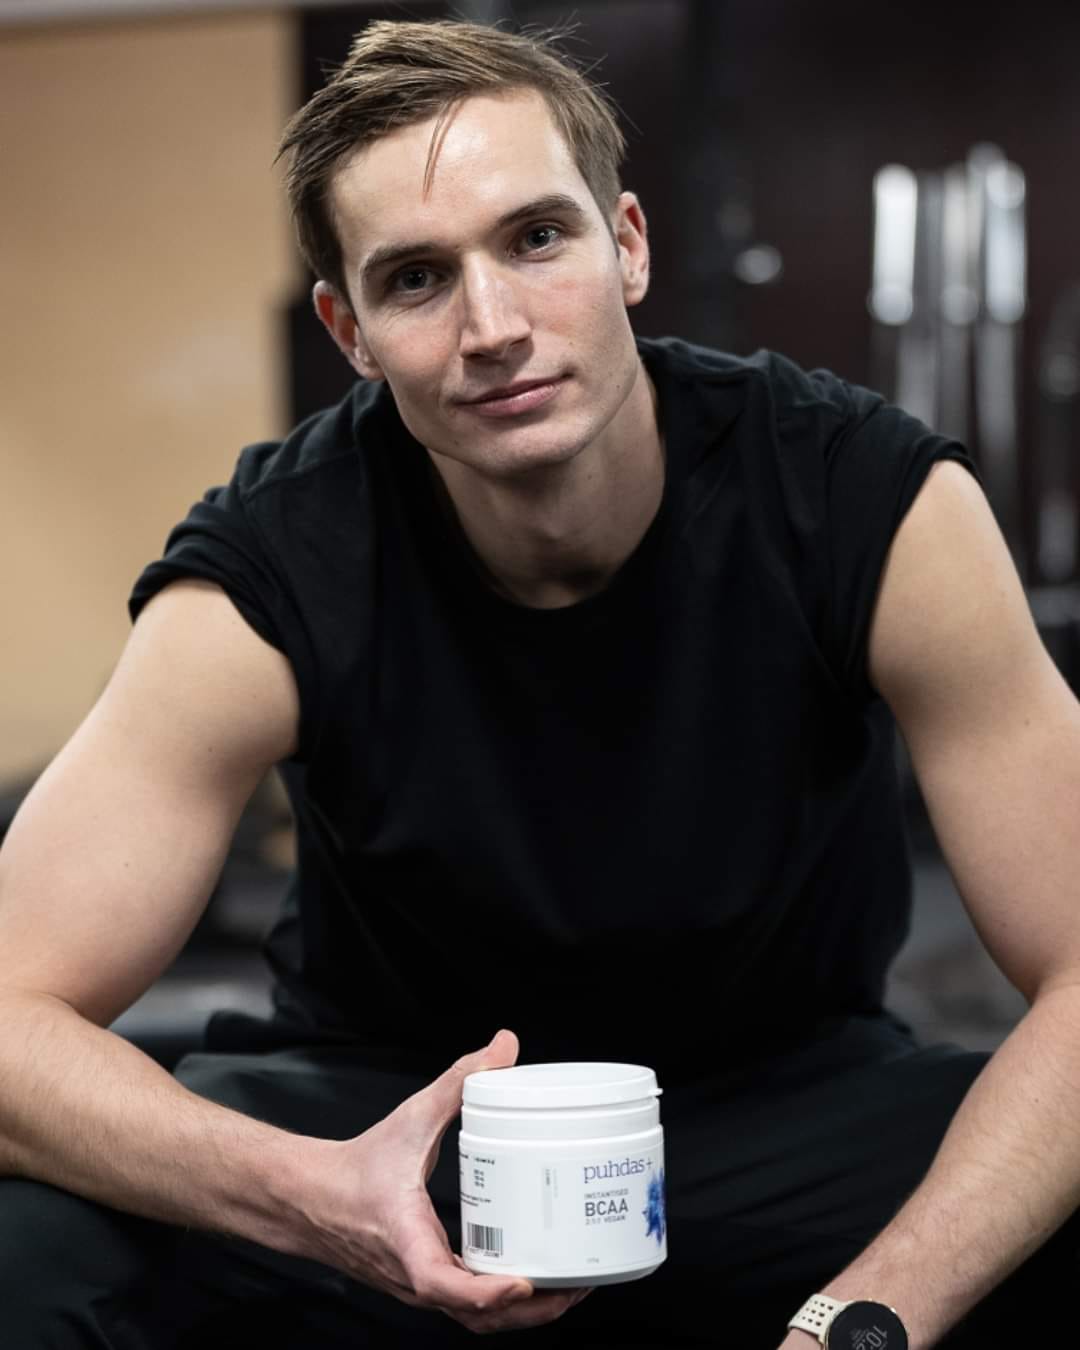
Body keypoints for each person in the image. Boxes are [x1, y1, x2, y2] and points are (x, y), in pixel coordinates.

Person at [1, 16, 1079, 1349]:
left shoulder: (865, 499)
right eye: (415, 279)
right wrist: (309, 1196)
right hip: (390, 1121)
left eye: (536, 239)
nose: (494, 326)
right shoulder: (273, 567)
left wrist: (867, 1313)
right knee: (29, 1246)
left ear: (627, 243)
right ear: (348, 329)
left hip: (783, 1114)